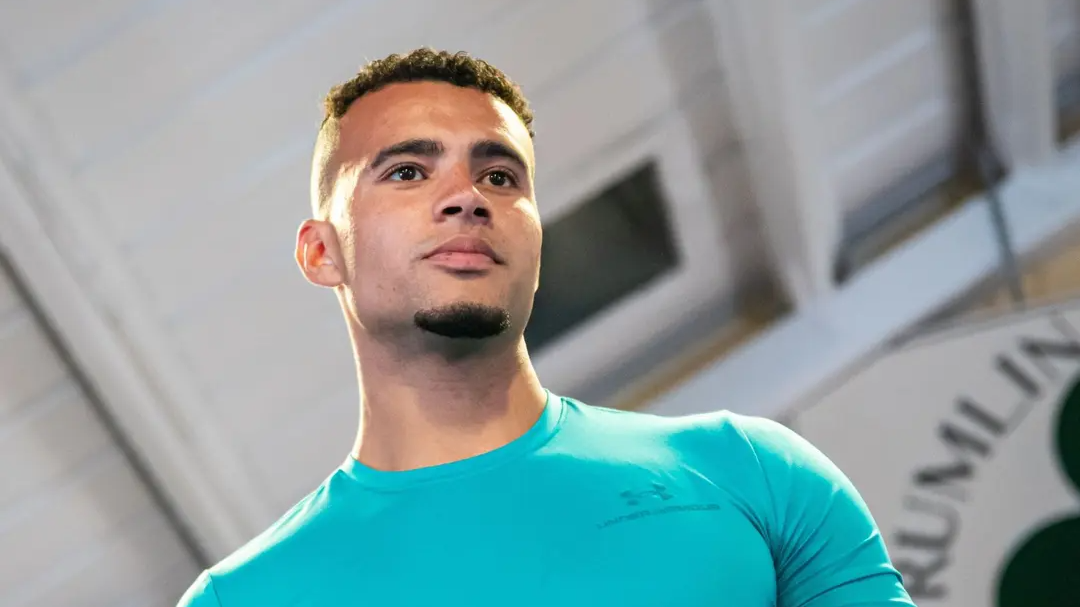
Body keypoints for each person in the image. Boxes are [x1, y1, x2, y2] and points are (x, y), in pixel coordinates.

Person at [176, 48, 914, 606]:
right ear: (320, 250)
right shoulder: (242, 598)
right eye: (407, 172)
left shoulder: (750, 470)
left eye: (500, 176)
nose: (466, 197)